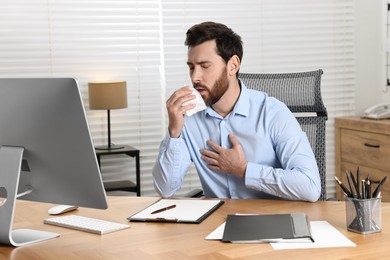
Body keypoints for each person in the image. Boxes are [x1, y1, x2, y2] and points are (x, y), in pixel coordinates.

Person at [152, 21, 321, 202]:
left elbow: (309, 186)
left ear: (233, 65)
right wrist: (174, 133)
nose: (195, 77)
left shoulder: (273, 113)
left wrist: (244, 169)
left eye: (204, 66)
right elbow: (165, 189)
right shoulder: (188, 119)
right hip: (216, 223)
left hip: (272, 222)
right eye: (191, 67)